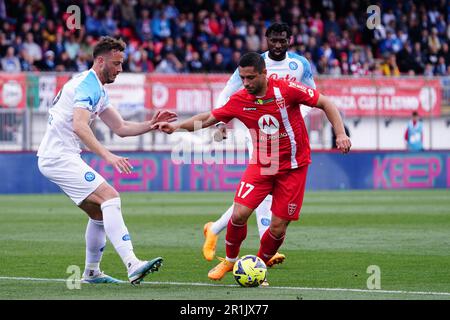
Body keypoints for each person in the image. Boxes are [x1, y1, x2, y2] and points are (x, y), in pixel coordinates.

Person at [152, 52, 351, 283]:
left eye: (250, 78)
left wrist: (340, 133)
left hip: (294, 167)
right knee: (239, 214)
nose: (245, 83)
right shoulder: (240, 99)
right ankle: (230, 260)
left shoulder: (286, 89)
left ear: (264, 74)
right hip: (263, 164)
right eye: (242, 78)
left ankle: (258, 266)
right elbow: (208, 118)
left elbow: (325, 103)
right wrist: (175, 127)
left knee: (277, 228)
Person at [37, 36, 177, 284]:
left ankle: (92, 272)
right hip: (58, 156)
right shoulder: (87, 86)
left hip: (58, 156)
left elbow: (120, 127)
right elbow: (80, 126)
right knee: (110, 197)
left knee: (100, 214)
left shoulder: (97, 88)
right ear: (100, 61)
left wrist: (152, 125)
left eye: (121, 63)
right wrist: (107, 155)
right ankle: (133, 264)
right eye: (116, 63)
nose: (120, 69)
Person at [203, 22, 317, 268]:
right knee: (261, 192)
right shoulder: (253, 63)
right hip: (258, 134)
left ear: (290, 40)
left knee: (260, 196)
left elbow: (311, 95)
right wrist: (219, 123)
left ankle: (216, 228)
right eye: (273, 40)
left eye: (282, 40)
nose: (277, 45)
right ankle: (262, 255)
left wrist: (293, 118)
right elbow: (228, 92)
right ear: (266, 40)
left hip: (288, 136)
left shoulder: (300, 65)